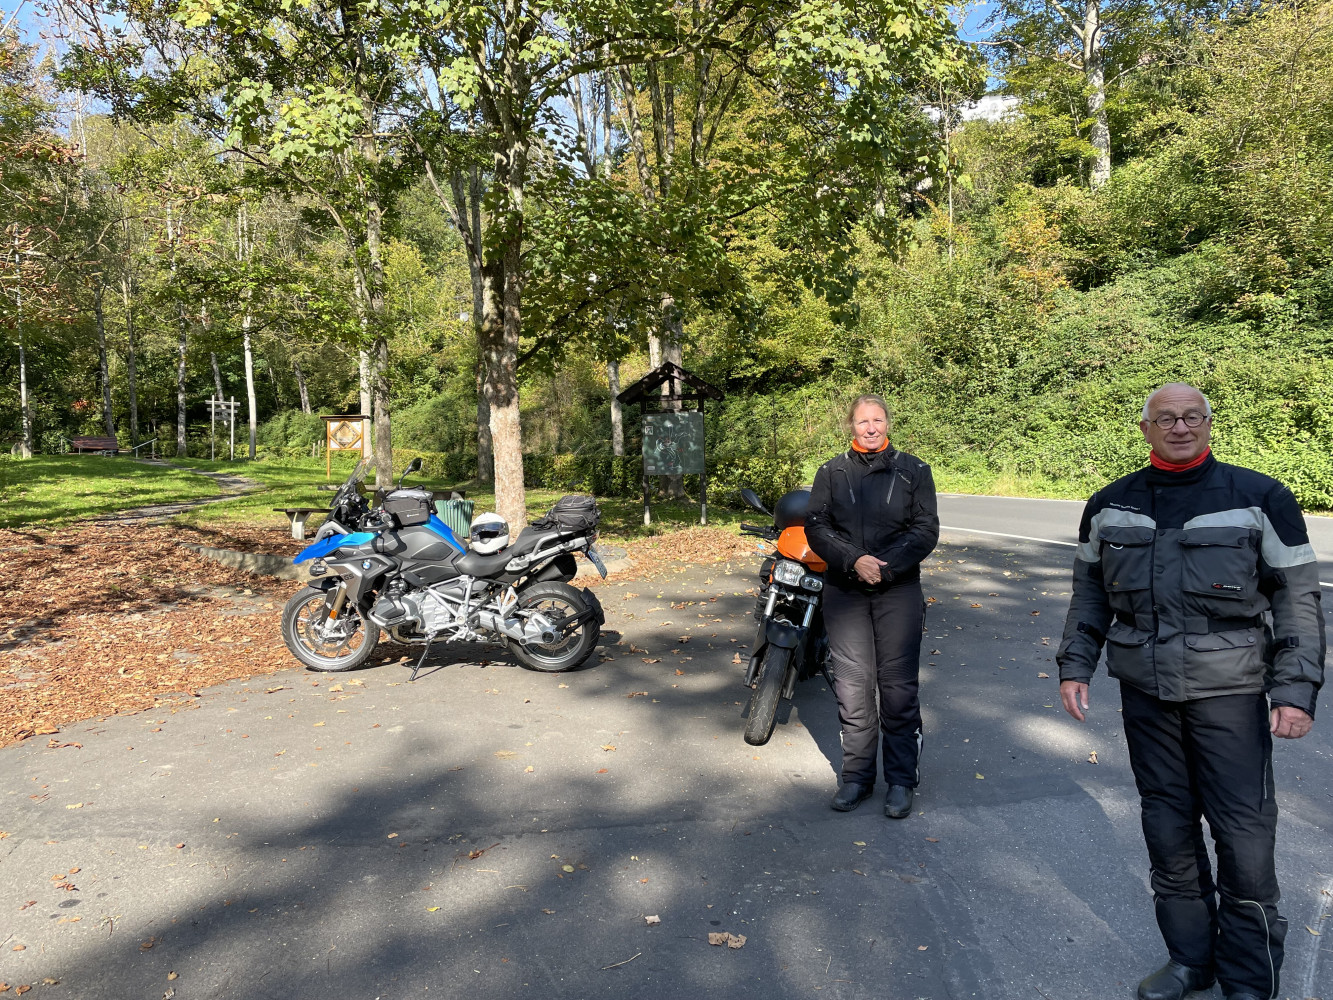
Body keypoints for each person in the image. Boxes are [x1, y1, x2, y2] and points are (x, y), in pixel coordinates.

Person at [1057, 383, 1325, 1000]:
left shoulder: (1260, 497)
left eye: (1192, 416)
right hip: (1146, 694)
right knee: (1167, 827)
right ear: (1145, 428)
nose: (1180, 427)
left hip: (1230, 693)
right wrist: (1075, 664)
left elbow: (1298, 599)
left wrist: (1295, 688)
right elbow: (1089, 593)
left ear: (1208, 423)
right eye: (1167, 418)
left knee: (1243, 836)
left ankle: (1249, 979)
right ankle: (1190, 961)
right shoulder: (1109, 504)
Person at [805, 395, 939, 818]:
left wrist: (885, 567)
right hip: (845, 592)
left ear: (888, 423)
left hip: (898, 589)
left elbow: (925, 529)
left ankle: (901, 780)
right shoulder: (831, 472)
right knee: (853, 686)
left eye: (877, 420)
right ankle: (858, 778)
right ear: (851, 425)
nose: (870, 427)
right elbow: (817, 527)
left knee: (897, 687)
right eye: (863, 421)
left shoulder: (915, 470)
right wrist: (854, 560)